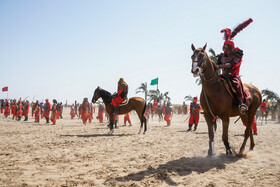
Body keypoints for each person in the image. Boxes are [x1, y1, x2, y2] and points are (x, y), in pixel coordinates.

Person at [215, 18, 253, 115]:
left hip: (233, 76)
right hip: (223, 76)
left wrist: (219, 66)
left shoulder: (237, 55)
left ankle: (241, 104)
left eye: (226, 46)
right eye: (224, 46)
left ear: (230, 47)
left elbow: (231, 65)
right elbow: (217, 65)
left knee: (236, 85)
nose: (224, 47)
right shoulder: (222, 56)